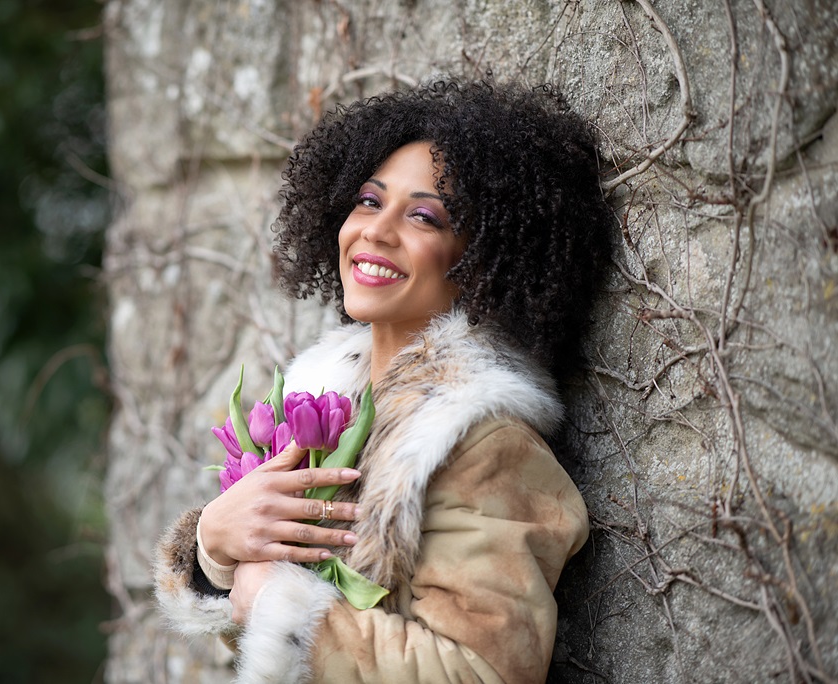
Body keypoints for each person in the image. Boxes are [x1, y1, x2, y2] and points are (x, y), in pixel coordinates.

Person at [153, 78, 611, 683]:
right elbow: (260, 651)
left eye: (424, 215)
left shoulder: (482, 442)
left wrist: (278, 603)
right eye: (369, 201)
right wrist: (215, 548)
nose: (376, 229)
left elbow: (482, 671)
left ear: (483, 260)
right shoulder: (322, 400)